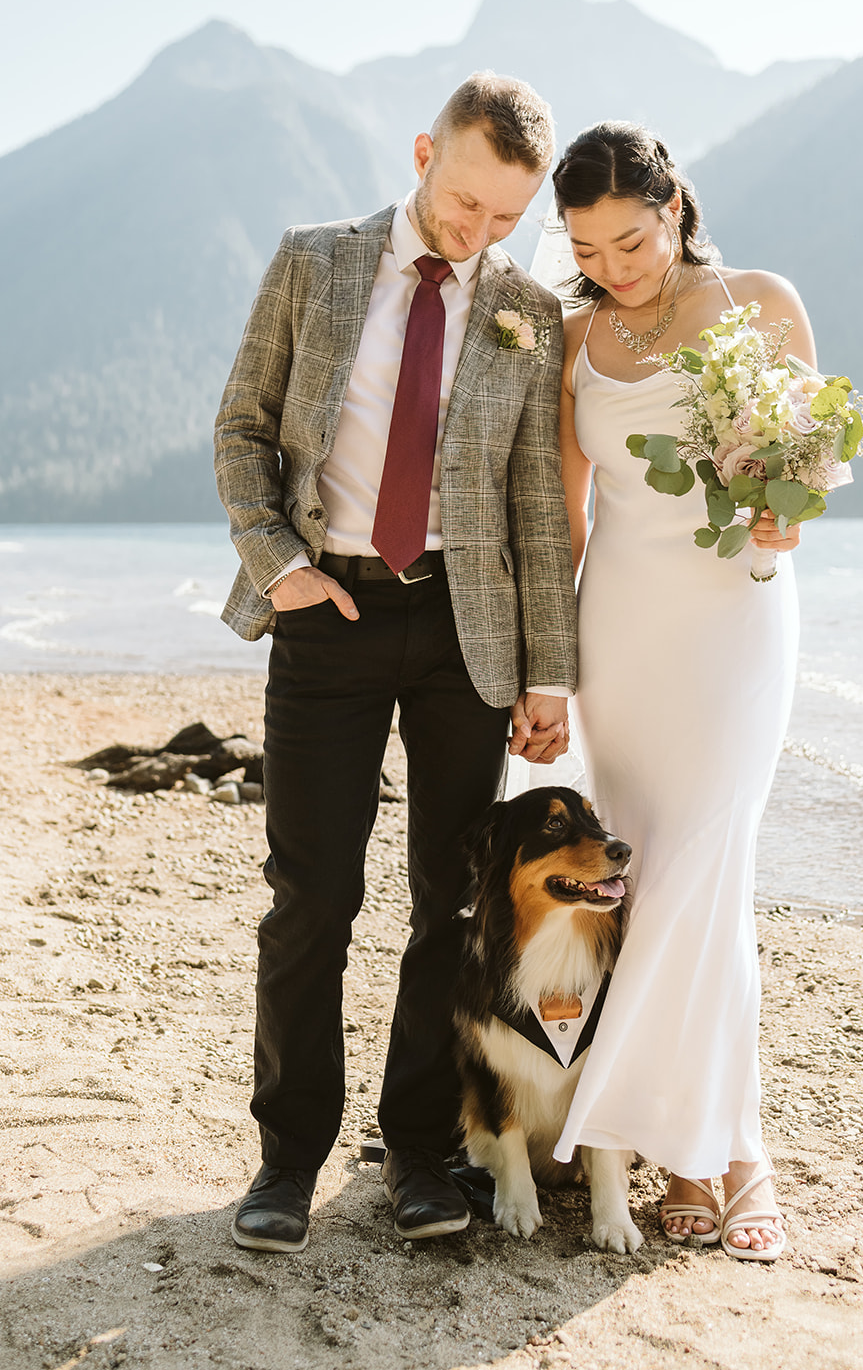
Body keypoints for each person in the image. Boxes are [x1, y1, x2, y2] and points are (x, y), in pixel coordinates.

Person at [214, 73, 577, 1253]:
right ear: (426, 152)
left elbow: (534, 505)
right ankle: (287, 1158)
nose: (476, 235)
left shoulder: (529, 310)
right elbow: (243, 427)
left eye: (504, 220)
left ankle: (419, 1150)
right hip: (331, 615)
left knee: (457, 904)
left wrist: (546, 673)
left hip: (464, 634)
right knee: (313, 896)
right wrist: (281, 563)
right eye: (464, 202)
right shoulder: (315, 262)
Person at [542, 121, 813, 1258]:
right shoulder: (570, 336)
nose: (615, 264)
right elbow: (569, 515)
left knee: (711, 862)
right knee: (652, 878)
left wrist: (785, 509)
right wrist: (549, 668)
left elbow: (805, 474)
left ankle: (728, 1149)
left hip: (734, 621)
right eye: (589, 246)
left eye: (632, 236)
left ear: (675, 206)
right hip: (623, 634)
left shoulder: (761, 300)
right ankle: (690, 1144)